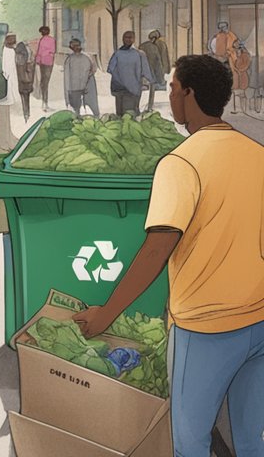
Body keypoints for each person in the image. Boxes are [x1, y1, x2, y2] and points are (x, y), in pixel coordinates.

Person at [73, 55, 264, 457]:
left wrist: (105, 314)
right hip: (259, 318)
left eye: (174, 89)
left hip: (204, 324)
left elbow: (158, 248)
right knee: (252, 439)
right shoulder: (255, 154)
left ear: (189, 95)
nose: (172, 96)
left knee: (190, 440)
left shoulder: (181, 163)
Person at [108, 30, 153, 117]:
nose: (128, 39)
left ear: (134, 39)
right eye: (126, 37)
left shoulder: (140, 54)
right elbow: (110, 69)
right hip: (119, 88)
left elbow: (146, 71)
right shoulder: (117, 54)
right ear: (122, 39)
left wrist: (147, 82)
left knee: (130, 114)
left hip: (133, 89)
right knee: (120, 114)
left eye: (130, 37)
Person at [64, 38, 100, 116]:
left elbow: (93, 70)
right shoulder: (69, 60)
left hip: (87, 87)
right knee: (76, 112)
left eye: (78, 45)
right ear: (71, 47)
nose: (77, 47)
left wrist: (87, 83)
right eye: (74, 46)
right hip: (74, 89)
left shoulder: (87, 57)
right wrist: (67, 97)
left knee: (93, 109)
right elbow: (67, 78)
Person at [140, 30, 170, 113]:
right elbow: (163, 59)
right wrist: (165, 70)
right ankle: (149, 106)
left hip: (147, 70)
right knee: (151, 88)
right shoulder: (161, 45)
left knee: (149, 88)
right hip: (154, 69)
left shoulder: (143, 46)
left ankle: (148, 106)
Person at [35, 26, 57, 111]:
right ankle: (45, 102)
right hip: (49, 62)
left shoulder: (42, 40)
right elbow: (53, 51)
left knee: (43, 82)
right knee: (46, 82)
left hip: (43, 63)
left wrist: (37, 60)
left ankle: (44, 102)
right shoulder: (52, 40)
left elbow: (39, 52)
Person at [15, 35, 34, 121]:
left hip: (25, 83)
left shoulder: (19, 58)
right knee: (25, 97)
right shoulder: (22, 60)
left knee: (25, 97)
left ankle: (26, 114)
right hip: (25, 83)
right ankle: (26, 114)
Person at [231, 40, 251, 115]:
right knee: (235, 92)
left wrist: (240, 70)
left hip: (242, 76)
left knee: (242, 93)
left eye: (236, 48)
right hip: (237, 76)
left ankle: (243, 109)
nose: (235, 50)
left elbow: (246, 65)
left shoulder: (245, 55)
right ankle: (236, 109)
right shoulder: (238, 56)